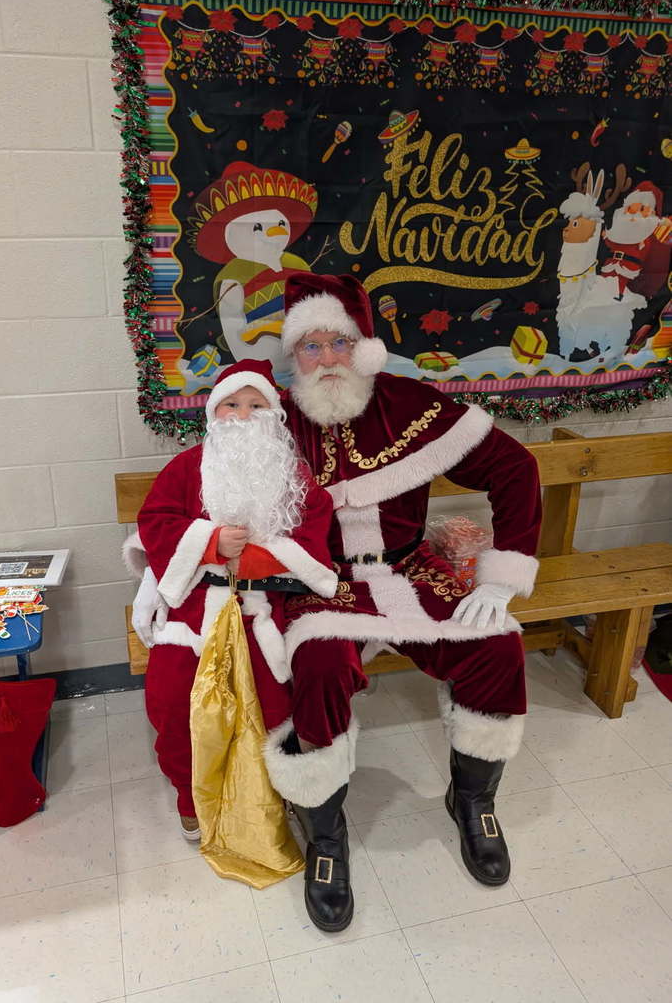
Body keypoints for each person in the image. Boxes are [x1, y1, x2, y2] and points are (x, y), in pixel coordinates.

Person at [130, 273, 542, 934]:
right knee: (317, 665)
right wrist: (161, 574)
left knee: (496, 645)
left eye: (338, 342)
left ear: (364, 346)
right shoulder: (269, 415)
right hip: (316, 580)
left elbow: (514, 468)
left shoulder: (411, 405)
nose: (325, 358)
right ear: (292, 357)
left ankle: (472, 801)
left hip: (409, 568)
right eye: (309, 345)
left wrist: (499, 578)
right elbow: (205, 483)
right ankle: (325, 832)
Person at [123, 358, 337, 841]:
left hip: (263, 609)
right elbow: (154, 522)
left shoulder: (294, 476)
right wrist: (209, 542)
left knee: (270, 701)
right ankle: (189, 791)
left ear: (274, 414)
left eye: (255, 404)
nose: (242, 415)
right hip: (194, 609)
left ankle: (264, 786)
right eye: (230, 405)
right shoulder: (185, 468)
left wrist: (266, 558)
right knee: (174, 697)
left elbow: (315, 535)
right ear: (212, 414)